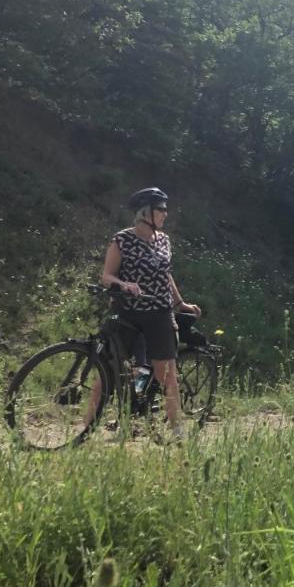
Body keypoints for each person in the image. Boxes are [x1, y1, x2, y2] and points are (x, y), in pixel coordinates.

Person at [99, 187, 201, 439]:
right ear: (146, 212)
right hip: (127, 312)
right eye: (162, 210)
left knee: (165, 372)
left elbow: (165, 275)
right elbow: (107, 276)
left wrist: (180, 304)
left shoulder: (164, 240)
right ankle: (92, 425)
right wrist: (123, 285)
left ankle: (177, 430)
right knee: (112, 368)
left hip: (158, 312)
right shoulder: (121, 239)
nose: (166, 214)